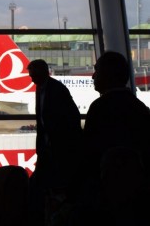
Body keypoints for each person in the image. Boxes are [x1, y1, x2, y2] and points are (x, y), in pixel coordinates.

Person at [83, 51, 150, 203]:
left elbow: (89, 152)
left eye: (97, 71)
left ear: (108, 75)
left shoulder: (99, 108)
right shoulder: (139, 108)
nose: (93, 76)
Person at [26, 59, 83, 210]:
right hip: (50, 146)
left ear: (42, 74)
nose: (32, 80)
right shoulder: (43, 88)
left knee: (45, 182)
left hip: (58, 146)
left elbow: (69, 118)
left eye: (33, 76)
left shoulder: (56, 90)